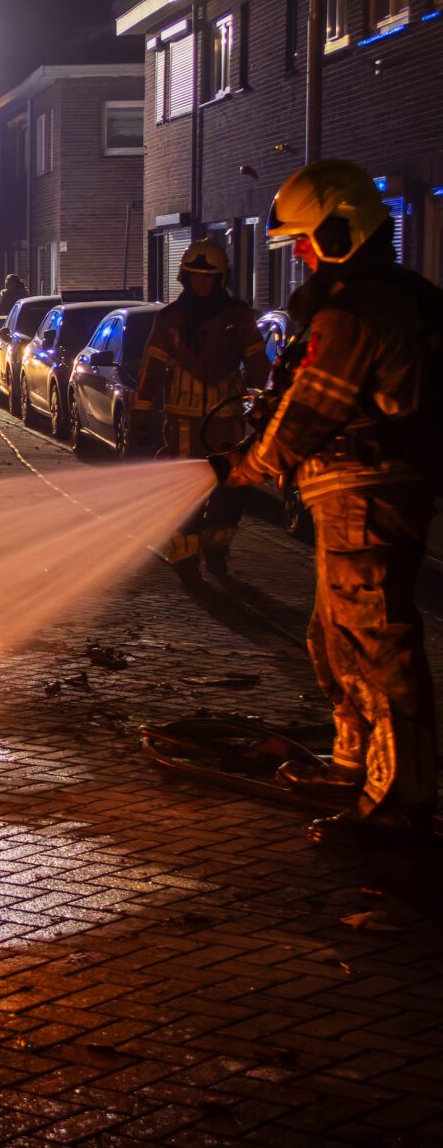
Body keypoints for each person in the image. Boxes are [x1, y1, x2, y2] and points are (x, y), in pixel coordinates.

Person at [223, 160, 441, 847]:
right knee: (335, 637)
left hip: (365, 496)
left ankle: (398, 806)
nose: (305, 257)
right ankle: (355, 765)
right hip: (360, 495)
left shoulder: (356, 310)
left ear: (343, 231)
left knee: (374, 645)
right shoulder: (392, 297)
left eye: (309, 242)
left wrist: (248, 465)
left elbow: (312, 410)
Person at [132, 237, 270, 575]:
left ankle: (217, 544)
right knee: (184, 487)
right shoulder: (169, 320)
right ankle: (185, 551)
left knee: (230, 487)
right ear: (184, 278)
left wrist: (264, 402)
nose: (202, 282)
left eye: (208, 277)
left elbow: (258, 365)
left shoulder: (239, 317)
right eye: (195, 276)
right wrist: (141, 408)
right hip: (183, 420)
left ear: (221, 278)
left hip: (227, 421)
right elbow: (152, 367)